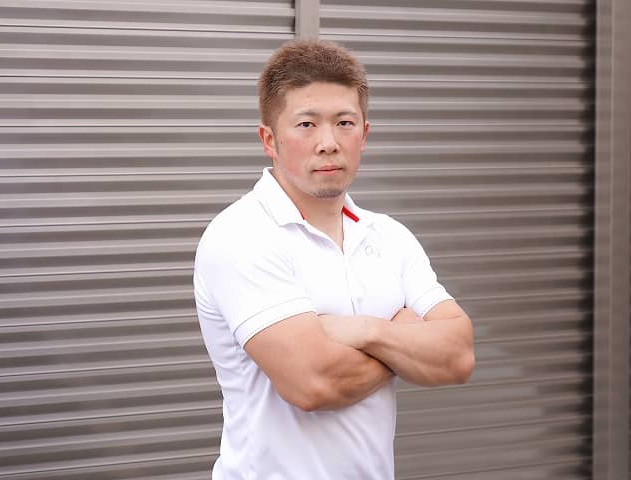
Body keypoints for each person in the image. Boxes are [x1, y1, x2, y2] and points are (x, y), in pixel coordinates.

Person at [193, 39, 475, 480]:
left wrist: (366, 330)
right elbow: (314, 383)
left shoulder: (390, 236)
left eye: (344, 122)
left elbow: (458, 356)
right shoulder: (242, 234)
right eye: (306, 124)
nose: (328, 143)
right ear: (269, 140)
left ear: (364, 134)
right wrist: (404, 340)